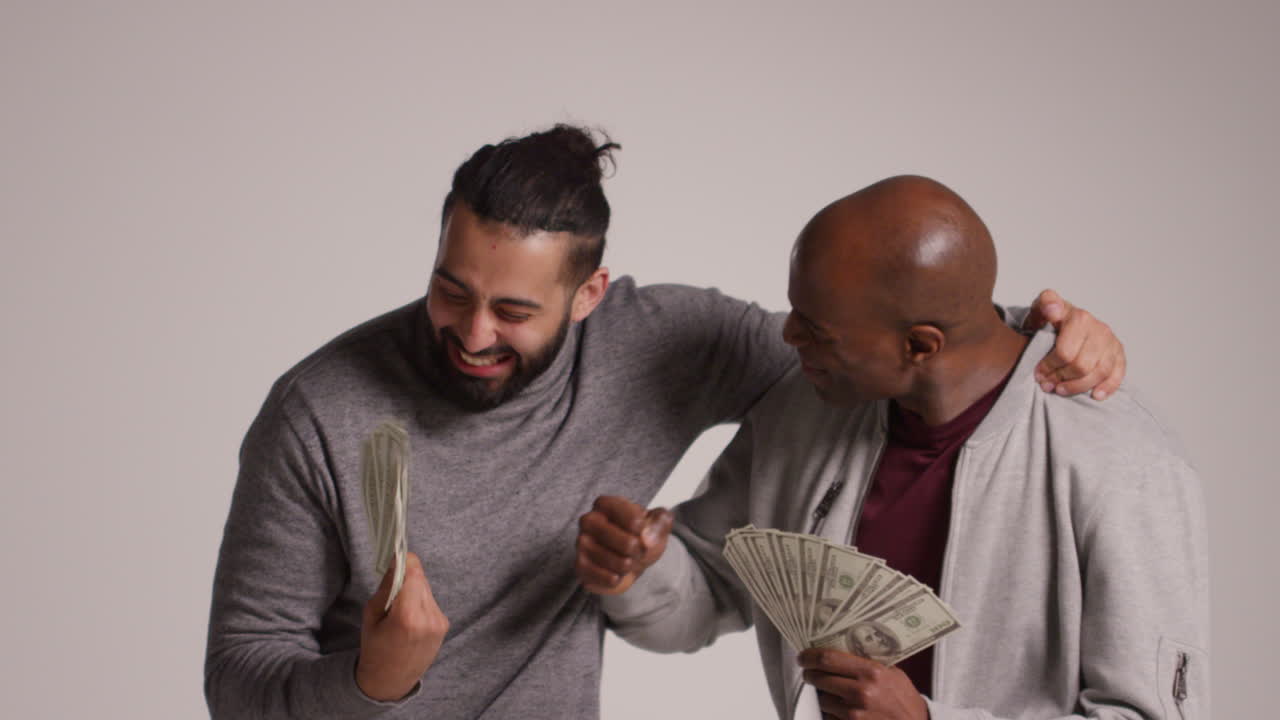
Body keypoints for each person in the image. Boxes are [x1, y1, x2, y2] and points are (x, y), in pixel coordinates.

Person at [205, 125, 1126, 720]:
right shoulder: (318, 412)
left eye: (515, 312)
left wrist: (1037, 329)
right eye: (452, 291)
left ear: (590, 294)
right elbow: (238, 679)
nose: (473, 333)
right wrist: (376, 678)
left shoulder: (664, 344)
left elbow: (877, 342)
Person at [577, 176, 1207, 720]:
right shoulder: (801, 408)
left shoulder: (1124, 464)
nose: (787, 336)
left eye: (816, 329)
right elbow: (711, 592)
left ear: (922, 346)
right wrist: (636, 572)